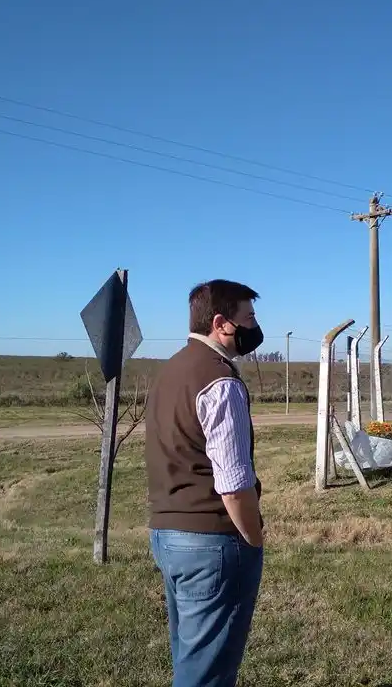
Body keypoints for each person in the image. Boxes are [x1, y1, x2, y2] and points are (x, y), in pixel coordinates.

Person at [144, 279, 265, 687]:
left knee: (190, 658)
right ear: (221, 323)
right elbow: (233, 482)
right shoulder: (220, 382)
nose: (254, 326)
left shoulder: (170, 371)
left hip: (167, 536)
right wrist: (253, 536)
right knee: (207, 673)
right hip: (212, 542)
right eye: (248, 317)